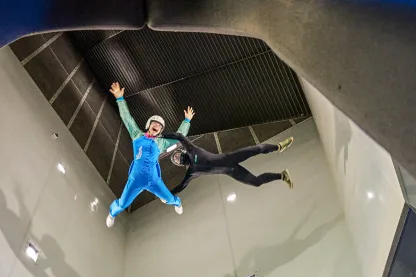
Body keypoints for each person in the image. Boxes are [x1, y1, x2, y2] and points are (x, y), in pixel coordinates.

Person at [106, 82, 195, 227]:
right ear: (149, 125)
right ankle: (112, 213)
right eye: (155, 123)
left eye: (160, 126)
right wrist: (120, 99)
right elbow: (127, 119)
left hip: (154, 180)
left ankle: (177, 203)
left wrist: (187, 121)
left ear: (160, 132)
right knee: (122, 203)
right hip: (135, 178)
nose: (158, 126)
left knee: (170, 198)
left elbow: (179, 136)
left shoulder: (161, 143)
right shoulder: (136, 134)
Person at [161, 132, 294, 196]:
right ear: (179, 164)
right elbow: (181, 187)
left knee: (257, 149)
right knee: (256, 182)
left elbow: (179, 136)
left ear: (182, 151)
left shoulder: (192, 150)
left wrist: (161, 136)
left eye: (177, 156)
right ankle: (282, 176)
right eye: (176, 160)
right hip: (232, 171)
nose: (177, 158)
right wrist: (166, 194)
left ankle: (279, 147)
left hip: (231, 158)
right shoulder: (191, 172)